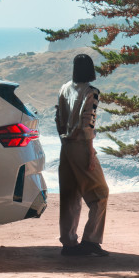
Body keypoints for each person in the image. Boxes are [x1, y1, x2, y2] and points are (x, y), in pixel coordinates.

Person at [55, 53, 110, 257]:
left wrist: (63, 140)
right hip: (80, 145)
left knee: (70, 195)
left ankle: (68, 244)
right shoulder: (91, 92)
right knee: (100, 194)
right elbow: (88, 124)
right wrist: (90, 153)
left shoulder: (64, 88)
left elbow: (57, 118)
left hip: (65, 146)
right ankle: (91, 241)